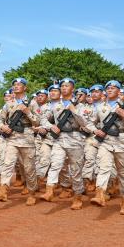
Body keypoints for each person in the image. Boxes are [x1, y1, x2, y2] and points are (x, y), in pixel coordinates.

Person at [0, 77, 39, 204]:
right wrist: (2, 126)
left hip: (27, 138)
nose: (16, 86)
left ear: (25, 88)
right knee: (8, 163)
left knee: (29, 168)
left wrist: (27, 112)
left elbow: (37, 121)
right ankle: (3, 191)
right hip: (12, 138)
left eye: (19, 84)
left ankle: (32, 193)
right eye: (14, 84)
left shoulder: (32, 103)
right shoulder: (8, 104)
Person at [90, 80, 124, 214]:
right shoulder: (99, 107)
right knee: (103, 167)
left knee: (123, 174)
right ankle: (99, 194)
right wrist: (95, 130)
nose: (110, 90)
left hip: (122, 142)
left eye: (113, 88)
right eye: (108, 88)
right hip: (105, 141)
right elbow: (90, 122)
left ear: (119, 91)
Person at [42, 78, 90, 210]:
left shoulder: (81, 106)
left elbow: (85, 123)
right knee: (55, 164)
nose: (64, 88)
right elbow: (43, 119)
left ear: (73, 89)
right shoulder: (56, 105)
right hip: (59, 138)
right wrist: (51, 126)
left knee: (75, 171)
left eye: (67, 86)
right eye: (62, 86)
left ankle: (78, 196)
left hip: (75, 139)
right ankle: (49, 190)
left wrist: (74, 110)